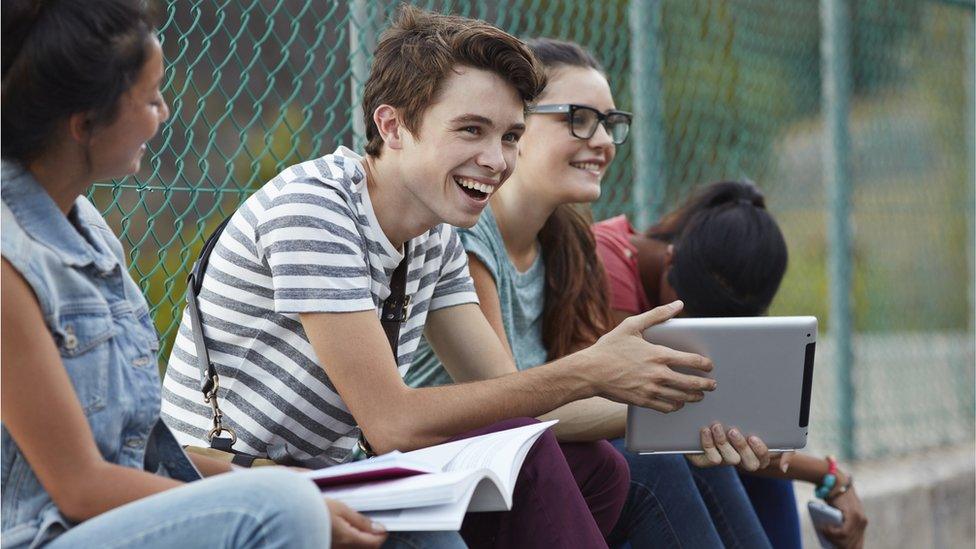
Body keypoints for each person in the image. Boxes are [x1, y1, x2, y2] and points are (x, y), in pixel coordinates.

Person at [159, 7, 720, 548]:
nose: (496, 159)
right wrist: (589, 370)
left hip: (323, 484)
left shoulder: (434, 236)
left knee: (598, 469)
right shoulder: (316, 210)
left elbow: (519, 407)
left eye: (508, 137)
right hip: (226, 488)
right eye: (471, 130)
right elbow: (393, 424)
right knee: (527, 464)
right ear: (393, 125)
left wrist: (685, 411)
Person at [0, 1, 386, 548]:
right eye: (151, 97)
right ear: (85, 123)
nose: (164, 111)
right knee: (285, 513)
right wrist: (269, 499)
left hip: (111, 519)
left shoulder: (86, 228)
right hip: (45, 534)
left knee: (333, 499)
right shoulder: (8, 260)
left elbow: (143, 454)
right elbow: (80, 488)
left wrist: (269, 480)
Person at [404, 38, 780, 548]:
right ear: (518, 123)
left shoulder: (568, 239)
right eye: (579, 118)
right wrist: (676, 414)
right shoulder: (467, 235)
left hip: (535, 461)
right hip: (458, 463)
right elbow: (514, 405)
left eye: (609, 123)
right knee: (655, 459)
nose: (602, 140)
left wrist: (689, 417)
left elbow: (576, 396)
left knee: (705, 453)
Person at [594, 180, 868, 549]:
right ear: (670, 259)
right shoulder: (610, 266)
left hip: (669, 451)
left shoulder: (703, 267)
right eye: (687, 315)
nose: (693, 330)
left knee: (759, 464)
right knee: (713, 459)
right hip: (616, 461)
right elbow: (657, 420)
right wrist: (830, 475)